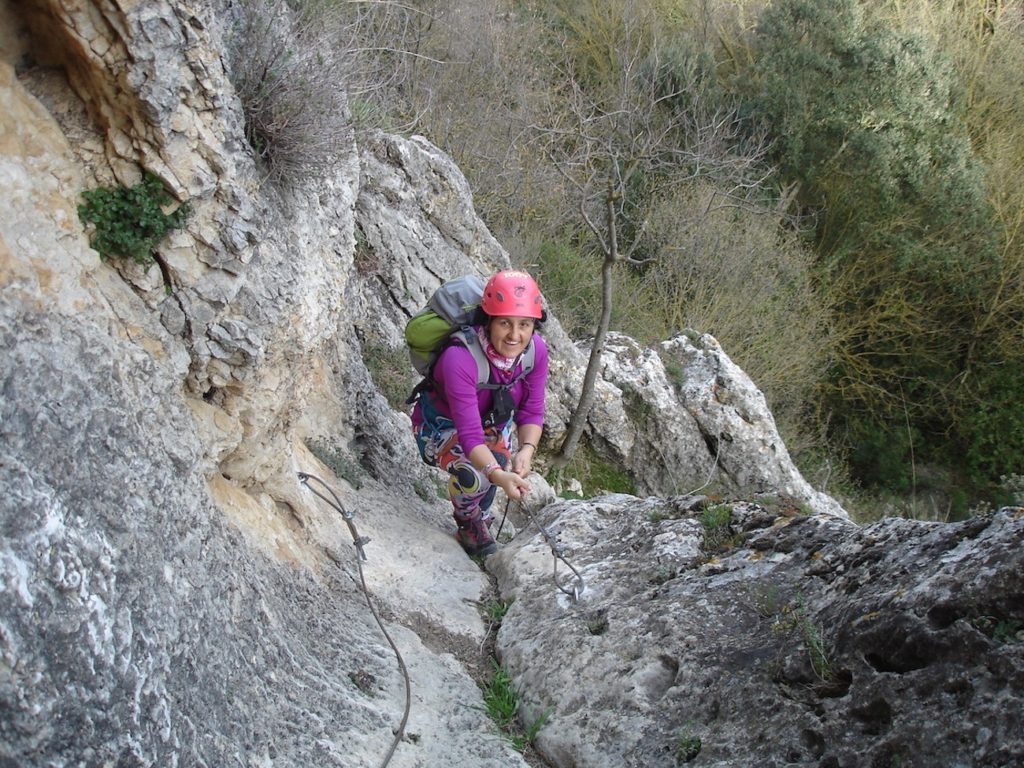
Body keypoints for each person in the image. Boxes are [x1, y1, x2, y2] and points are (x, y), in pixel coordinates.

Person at [411, 269, 549, 557]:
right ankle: (467, 522)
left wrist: (526, 450)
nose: (515, 335)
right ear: (489, 321)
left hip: (493, 423)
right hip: (441, 427)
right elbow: (470, 436)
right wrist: (498, 475)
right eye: (505, 324)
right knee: (479, 474)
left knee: (498, 461)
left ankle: (478, 518)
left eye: (525, 324)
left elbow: (533, 409)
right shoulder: (459, 357)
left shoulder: (536, 350)